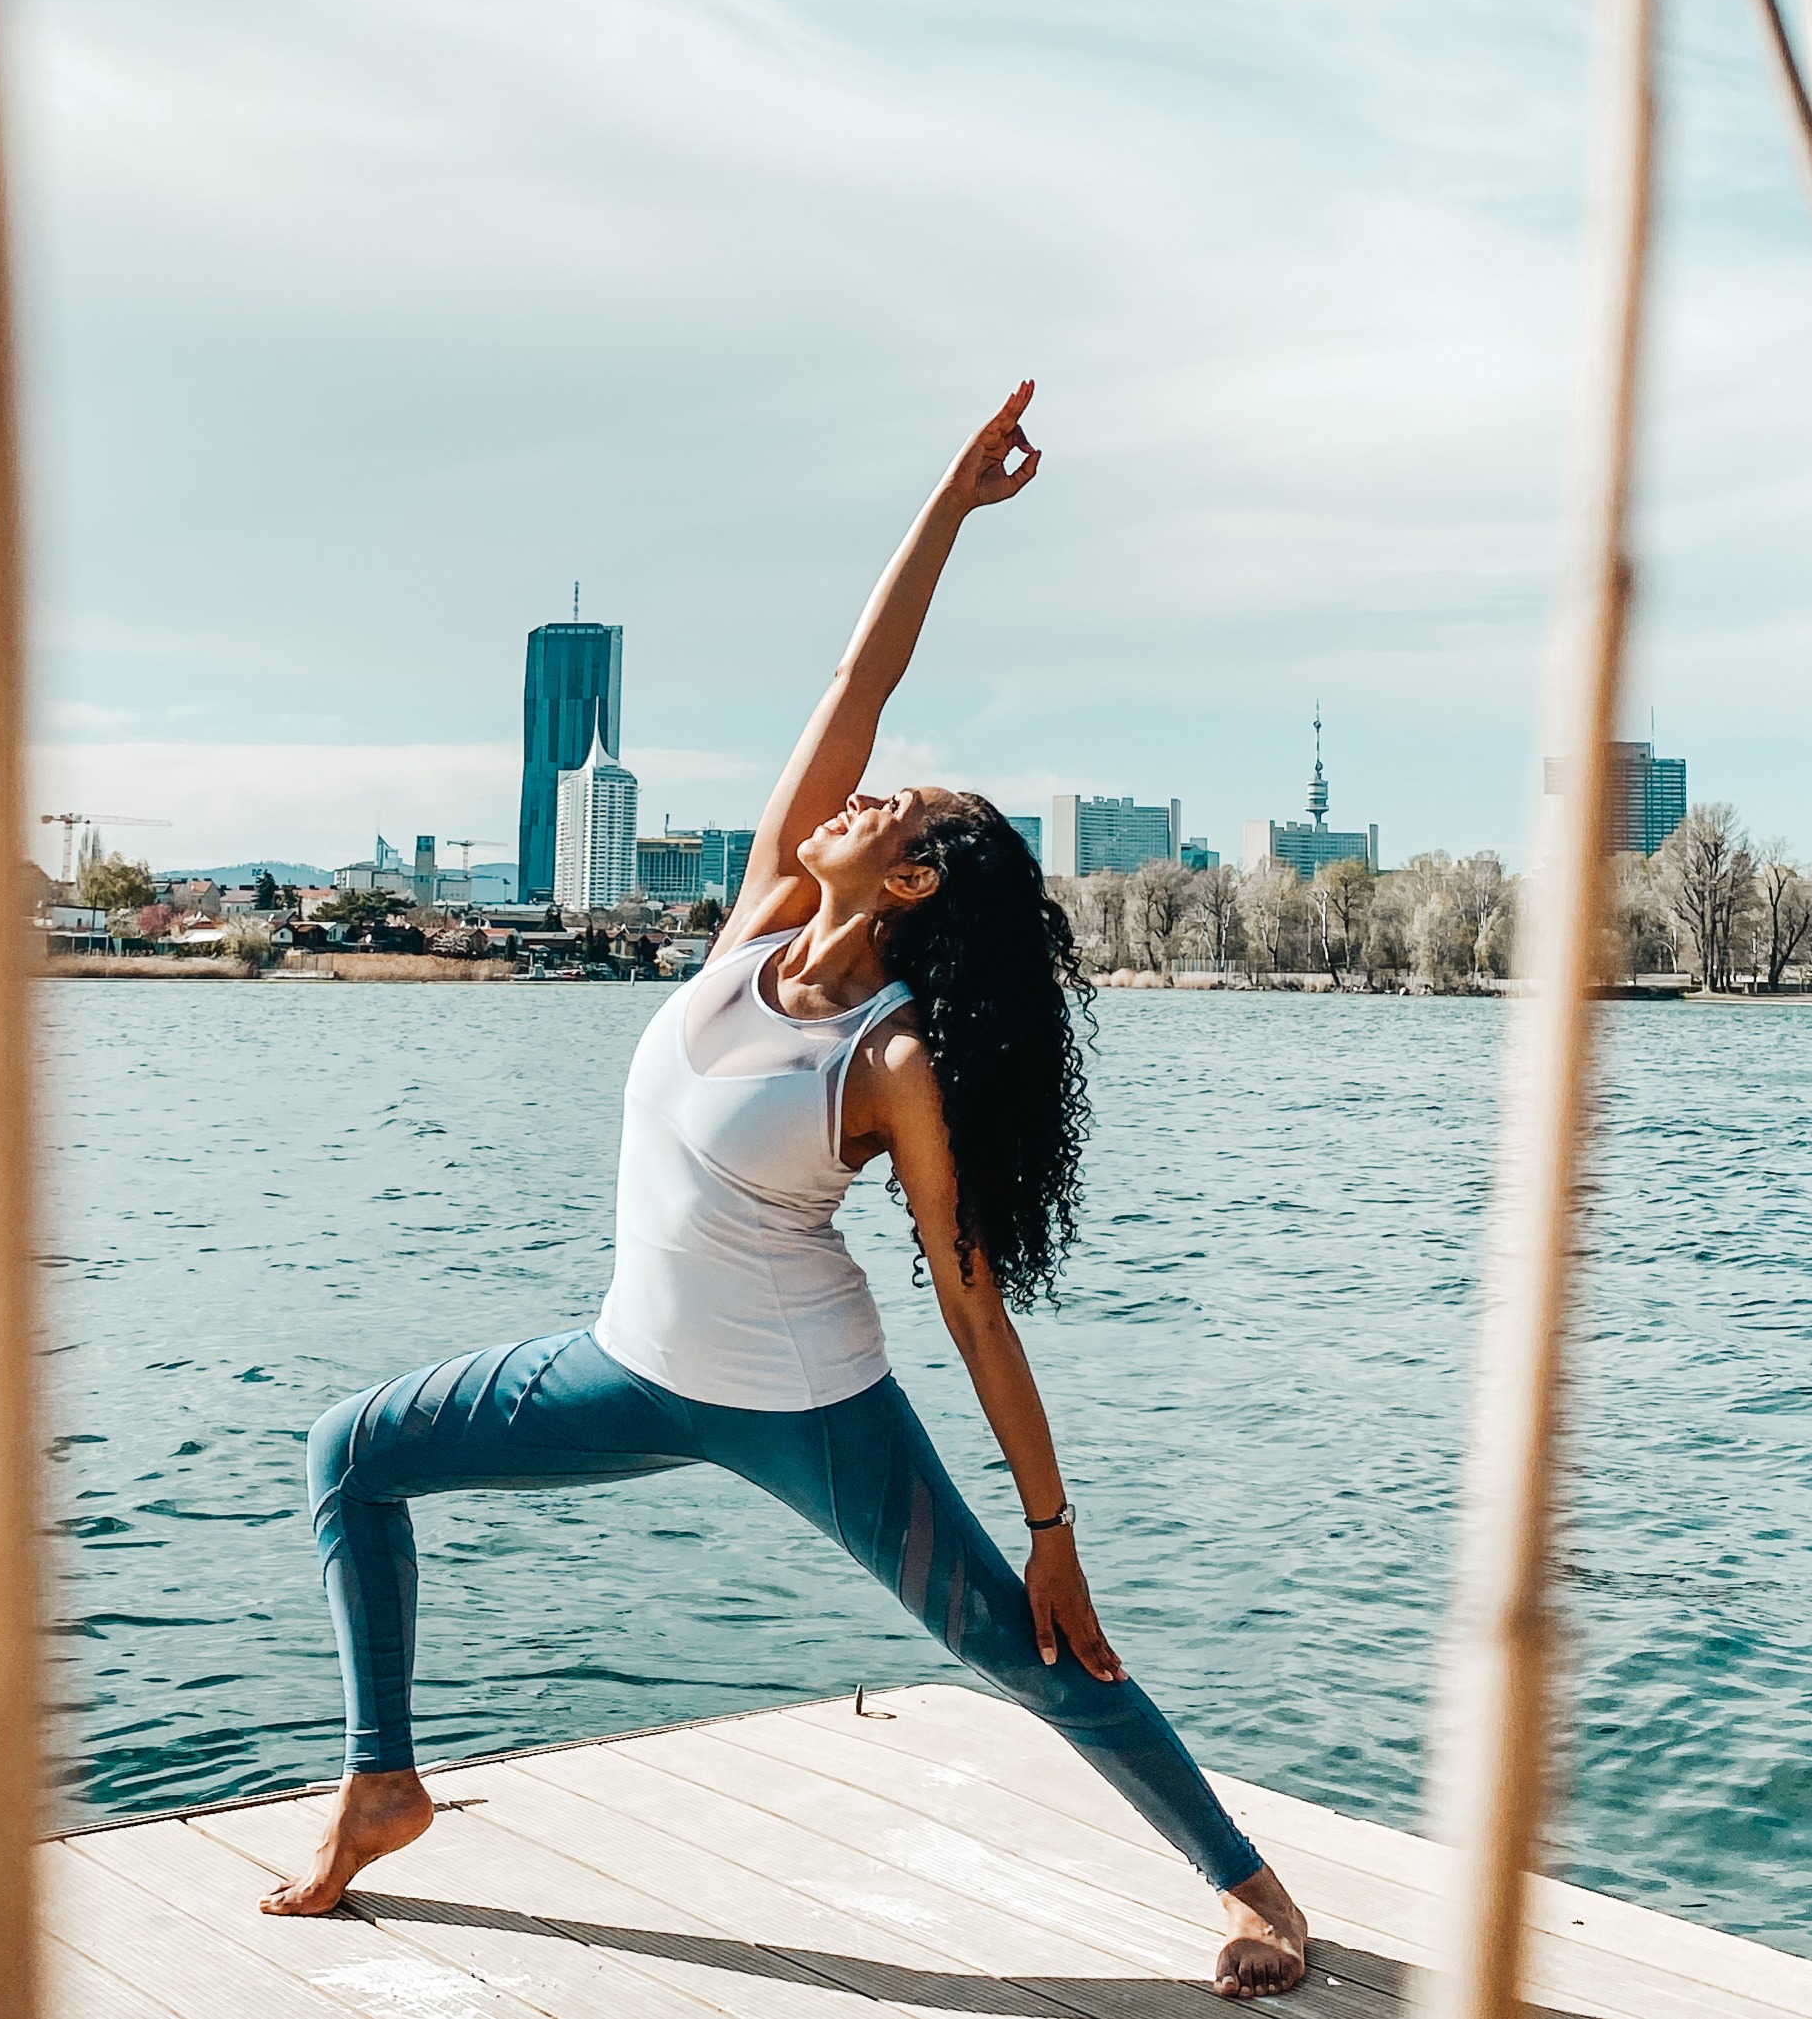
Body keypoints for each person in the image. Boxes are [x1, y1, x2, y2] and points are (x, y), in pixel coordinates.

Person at [262, 383, 1310, 1997]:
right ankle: (383, 1781)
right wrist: (952, 504)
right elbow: (859, 674)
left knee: (1014, 1645)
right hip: (622, 1364)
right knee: (352, 1453)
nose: (858, 790)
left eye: (893, 808)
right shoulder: (756, 917)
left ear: (909, 886)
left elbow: (970, 1305)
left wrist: (1053, 1527)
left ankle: (1256, 1890)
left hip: (808, 1399)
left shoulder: (891, 1066)